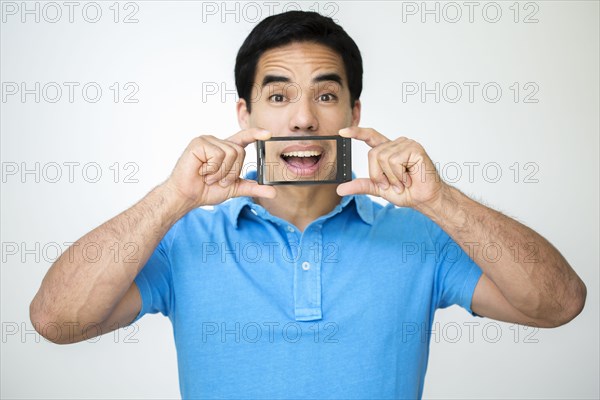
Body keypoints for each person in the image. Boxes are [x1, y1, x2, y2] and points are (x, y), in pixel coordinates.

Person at [30, 11, 586, 399]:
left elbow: (558, 305)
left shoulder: (420, 237)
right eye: (278, 97)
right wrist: (170, 199)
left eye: (325, 95)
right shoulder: (184, 240)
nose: (302, 119)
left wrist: (443, 202)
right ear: (244, 115)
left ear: (353, 110)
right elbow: (57, 321)